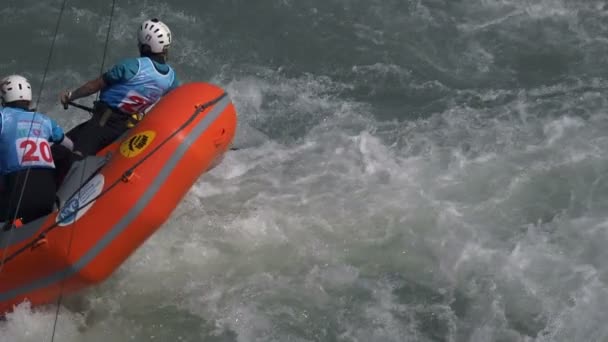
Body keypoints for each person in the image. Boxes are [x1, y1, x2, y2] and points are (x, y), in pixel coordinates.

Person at [58, 18, 180, 157]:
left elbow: (93, 87)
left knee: (68, 154)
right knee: (67, 141)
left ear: (145, 47)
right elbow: (172, 104)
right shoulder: (171, 78)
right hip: (126, 129)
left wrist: (70, 96)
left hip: (103, 122)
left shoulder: (131, 66)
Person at [0, 75, 75, 226]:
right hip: (47, 197)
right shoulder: (45, 120)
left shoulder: (2, 117)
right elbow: (70, 146)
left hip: (14, 200)